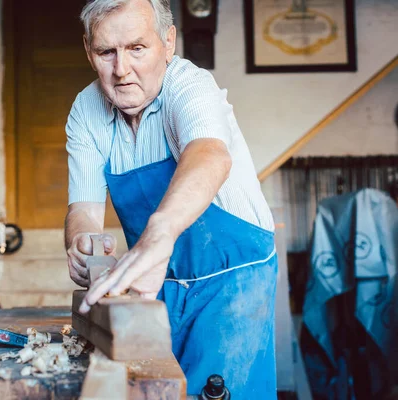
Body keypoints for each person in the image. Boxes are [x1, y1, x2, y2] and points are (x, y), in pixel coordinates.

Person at [64, 0, 278, 397]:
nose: (122, 69)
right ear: (88, 51)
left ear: (168, 41)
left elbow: (209, 155)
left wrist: (159, 234)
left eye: (137, 49)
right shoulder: (86, 109)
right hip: (155, 286)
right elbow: (83, 210)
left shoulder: (190, 85)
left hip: (232, 283)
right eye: (106, 52)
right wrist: (81, 243)